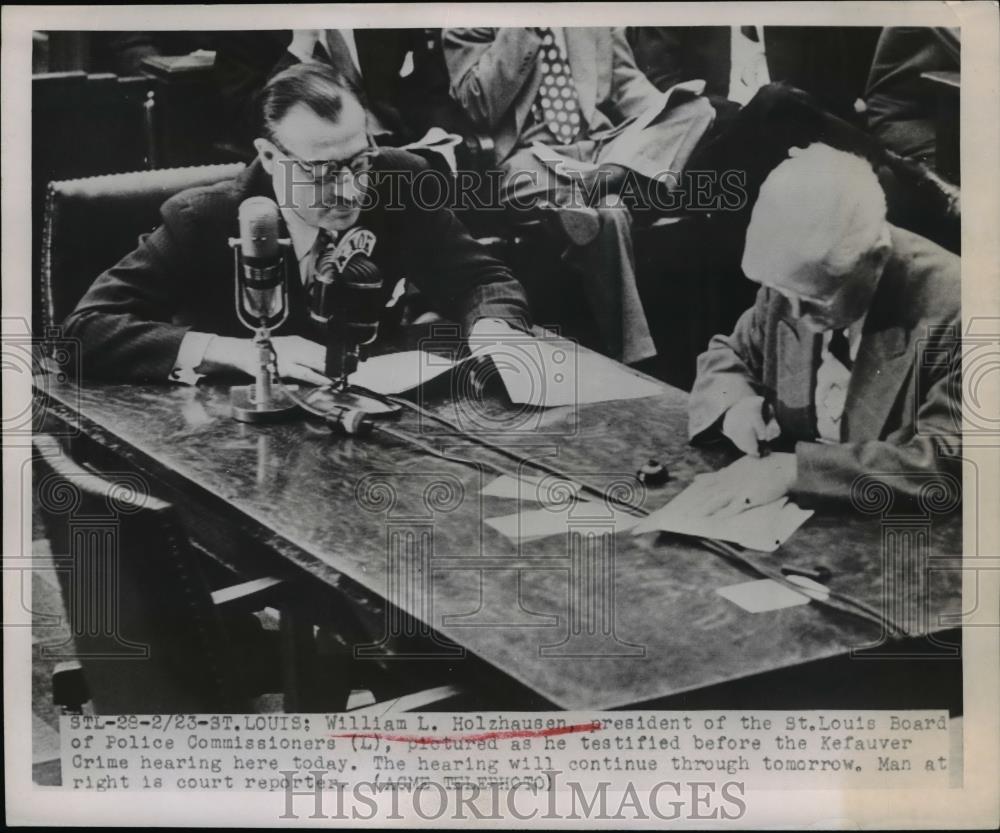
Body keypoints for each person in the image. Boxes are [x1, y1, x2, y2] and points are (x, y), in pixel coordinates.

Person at [62, 62, 531, 384]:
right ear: (269, 156)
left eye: (359, 162)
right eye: (323, 172)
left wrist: (495, 333)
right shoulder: (203, 219)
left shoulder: (397, 178)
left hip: (378, 419)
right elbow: (82, 332)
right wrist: (241, 352)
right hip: (247, 443)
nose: (351, 190)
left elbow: (482, 278)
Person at [684, 143, 960, 513]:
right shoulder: (796, 279)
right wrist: (735, 407)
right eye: (784, 295)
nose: (794, 312)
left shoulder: (963, 309)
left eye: (816, 301)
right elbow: (729, 354)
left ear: (876, 259)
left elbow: (947, 462)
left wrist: (798, 471)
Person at [443, 26, 718, 366]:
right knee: (611, 214)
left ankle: (605, 180)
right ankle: (635, 357)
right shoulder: (471, 22)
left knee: (696, 108)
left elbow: (628, 86)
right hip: (529, 157)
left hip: (600, 150)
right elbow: (478, 107)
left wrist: (659, 116)